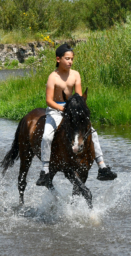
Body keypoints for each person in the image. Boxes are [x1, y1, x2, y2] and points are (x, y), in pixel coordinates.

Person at [36, 43, 117, 186]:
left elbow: (78, 98)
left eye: (71, 59)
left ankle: (102, 166)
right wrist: (64, 110)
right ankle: (45, 170)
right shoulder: (53, 77)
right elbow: (49, 100)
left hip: (72, 111)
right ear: (58, 59)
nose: (70, 61)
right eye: (67, 58)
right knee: (47, 136)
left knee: (92, 132)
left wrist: (76, 111)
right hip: (56, 110)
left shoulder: (75, 75)